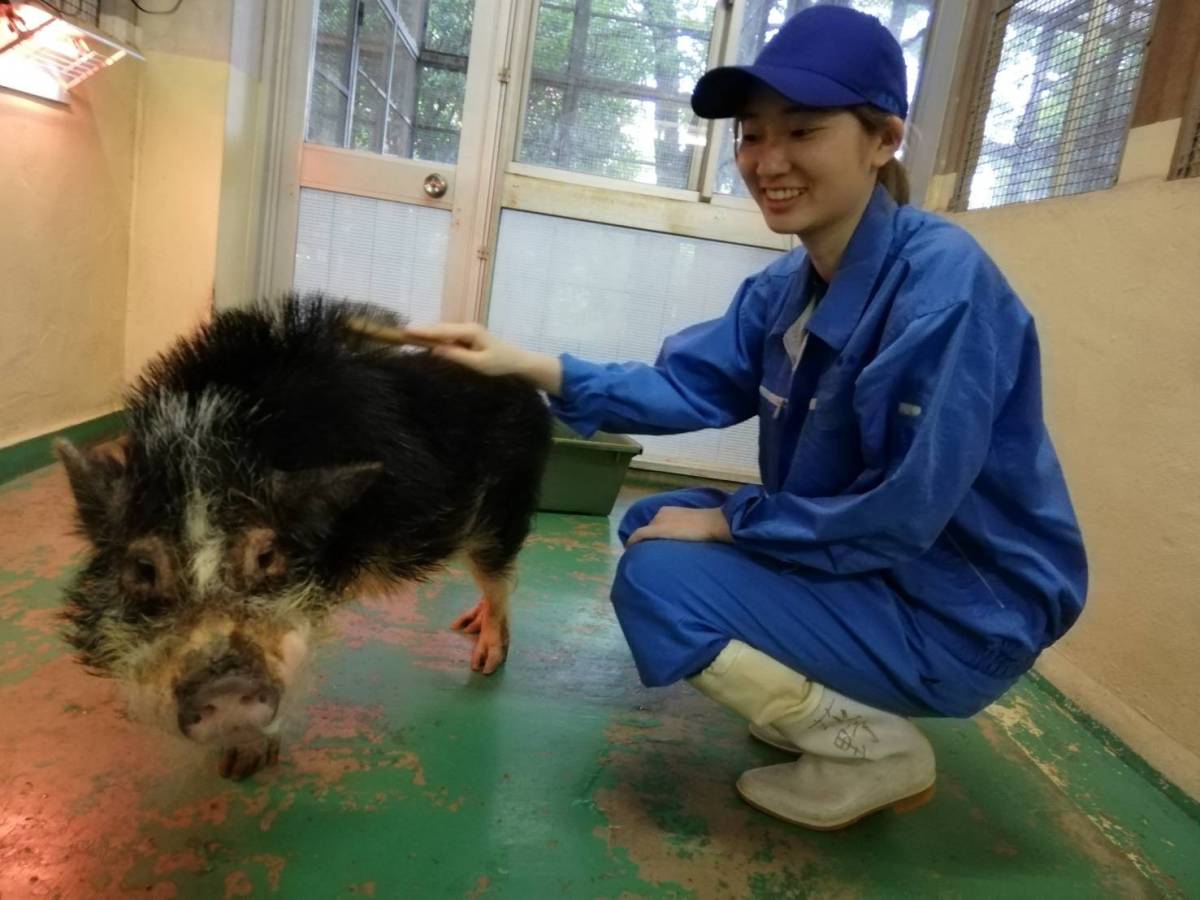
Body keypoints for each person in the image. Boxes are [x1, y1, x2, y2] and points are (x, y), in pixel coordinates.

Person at [408, 5, 1087, 831]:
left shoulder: (942, 289)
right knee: (658, 518)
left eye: (801, 132)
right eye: (752, 135)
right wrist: (521, 361)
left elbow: (900, 513)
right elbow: (683, 387)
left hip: (960, 612)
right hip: (884, 570)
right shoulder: (790, 286)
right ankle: (818, 696)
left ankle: (874, 747)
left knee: (660, 578)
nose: (767, 161)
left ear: (883, 139)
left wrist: (732, 528)